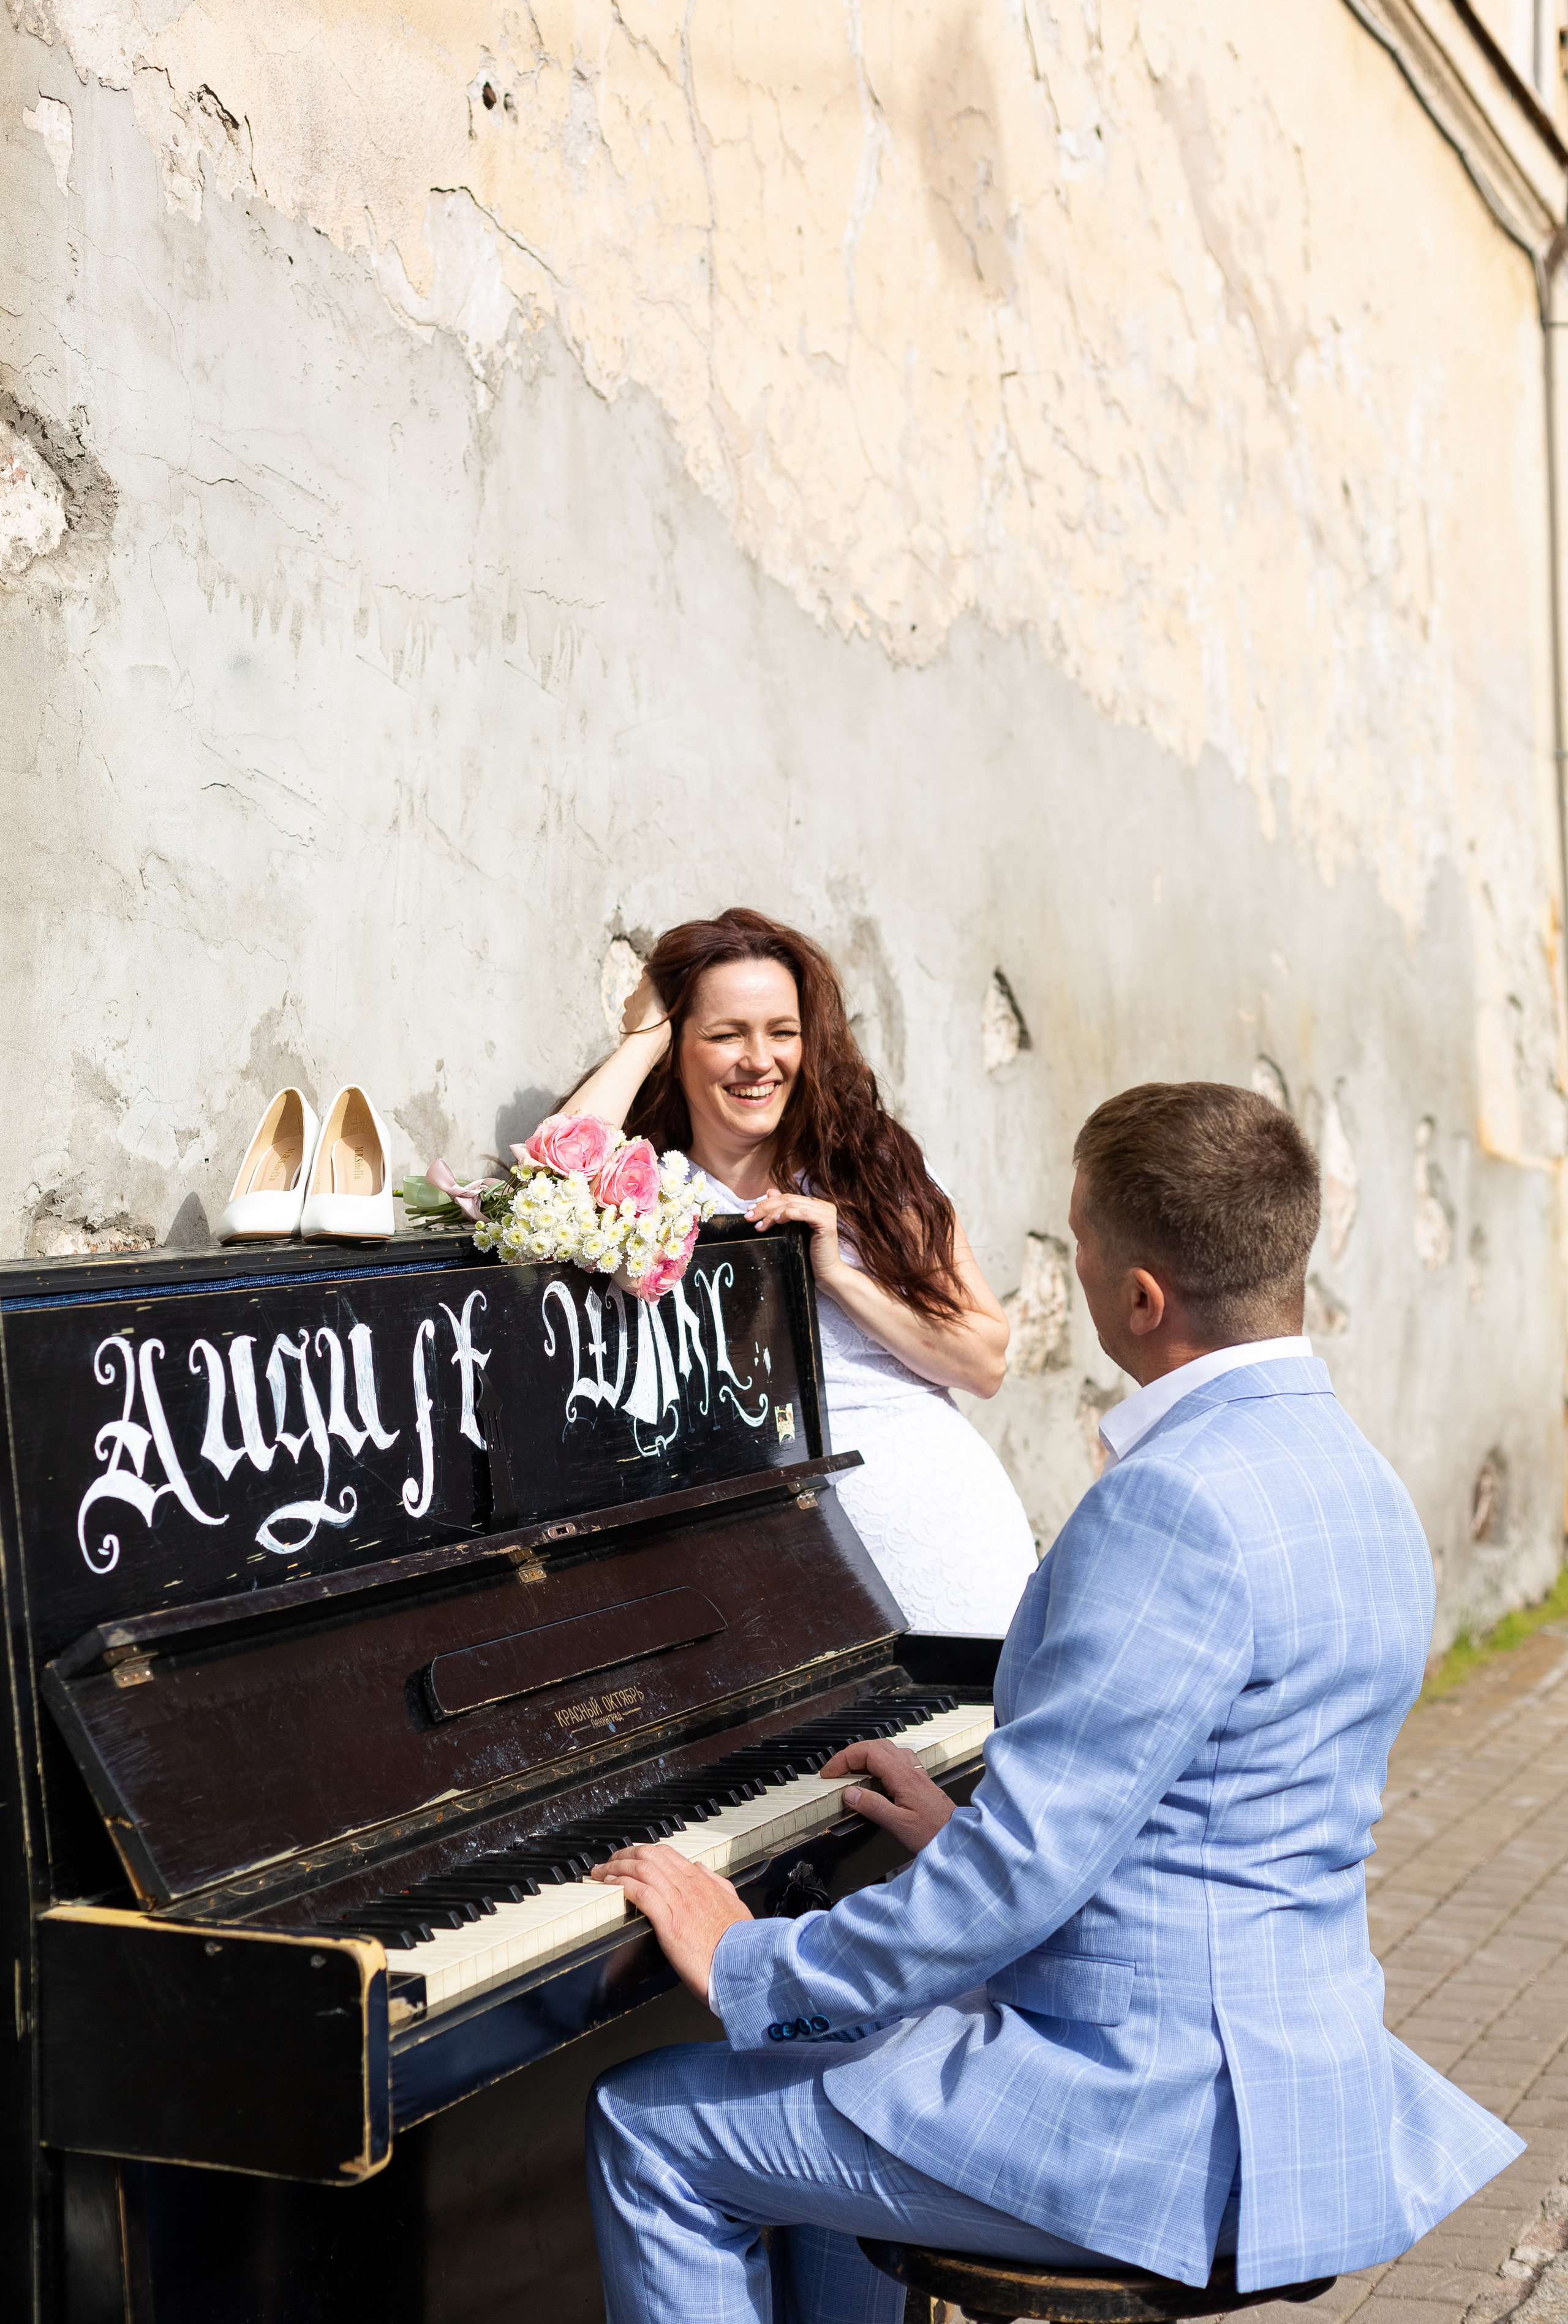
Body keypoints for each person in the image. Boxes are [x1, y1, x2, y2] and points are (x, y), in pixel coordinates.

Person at [579, 1082, 1523, 2324]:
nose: (1064, 1276)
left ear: (1138, 1297)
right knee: (829, 2084)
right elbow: (1210, 1806)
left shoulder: (1169, 1504)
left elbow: (1015, 1885)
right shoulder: (1360, 1483)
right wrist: (957, 1835)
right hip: (1296, 2095)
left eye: (1075, 1246)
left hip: (1147, 2121)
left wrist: (752, 1960)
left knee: (649, 2125)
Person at [559, 907, 1038, 1635]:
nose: (760, 1060)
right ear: (678, 1049)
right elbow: (552, 1168)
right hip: (755, 1557)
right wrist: (642, 1037)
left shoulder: (873, 1172)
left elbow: (983, 1361)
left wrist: (840, 1276)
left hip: (934, 1536)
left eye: (783, 1033)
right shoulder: (644, 1184)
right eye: (725, 1035)